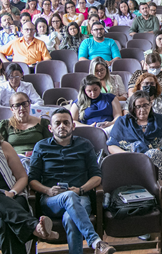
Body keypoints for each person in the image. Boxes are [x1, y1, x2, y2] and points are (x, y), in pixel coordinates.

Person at [28, 108, 116, 254]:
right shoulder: (41, 146)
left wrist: (80, 189)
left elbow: (97, 176)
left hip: (80, 197)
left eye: (66, 122)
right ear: (50, 128)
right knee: (68, 197)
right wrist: (48, 190)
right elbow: (32, 180)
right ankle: (96, 241)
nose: (62, 126)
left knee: (70, 218)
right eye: (57, 123)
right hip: (51, 200)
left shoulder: (84, 145)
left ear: (73, 126)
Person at [0, 135, 60, 253]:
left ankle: (33, 227)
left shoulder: (4, 147)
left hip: (13, 197)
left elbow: (22, 177)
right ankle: (34, 227)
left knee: (6, 223)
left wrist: (12, 193)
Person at [107, 91, 162, 172]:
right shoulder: (122, 122)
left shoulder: (160, 119)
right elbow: (111, 145)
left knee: (154, 154)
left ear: (150, 104)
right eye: (138, 106)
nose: (142, 109)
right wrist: (126, 155)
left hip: (156, 162)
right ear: (132, 107)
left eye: (145, 105)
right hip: (129, 160)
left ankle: (157, 183)